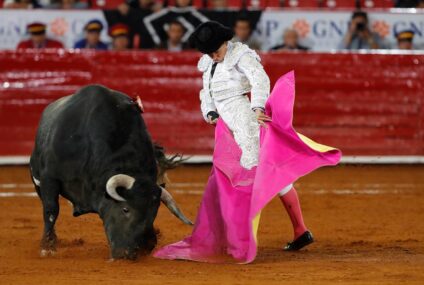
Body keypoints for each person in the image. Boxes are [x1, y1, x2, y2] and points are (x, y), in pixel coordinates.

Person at [153, 21, 341, 263]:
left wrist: (257, 106)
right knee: (258, 176)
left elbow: (259, 79)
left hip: (245, 122)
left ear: (224, 42)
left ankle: (246, 239)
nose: (213, 56)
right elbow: (206, 92)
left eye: (215, 51)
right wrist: (209, 112)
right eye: (209, 52)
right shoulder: (210, 62)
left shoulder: (240, 54)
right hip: (226, 128)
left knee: (252, 178)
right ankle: (300, 231)